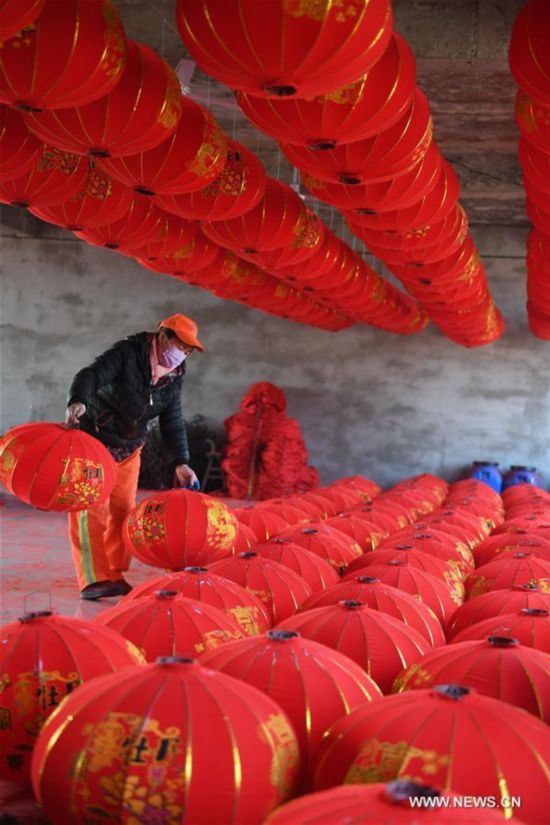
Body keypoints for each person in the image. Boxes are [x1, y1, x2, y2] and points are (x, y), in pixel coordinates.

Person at [65, 313, 203, 600]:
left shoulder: (174, 375)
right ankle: (92, 578)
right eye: (180, 346)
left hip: (129, 449)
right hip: (95, 442)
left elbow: (172, 419)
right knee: (91, 510)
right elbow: (90, 375)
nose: (182, 355)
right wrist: (77, 399)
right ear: (162, 336)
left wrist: (181, 461)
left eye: (188, 351)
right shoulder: (128, 354)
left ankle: (113, 573)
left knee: (123, 511)